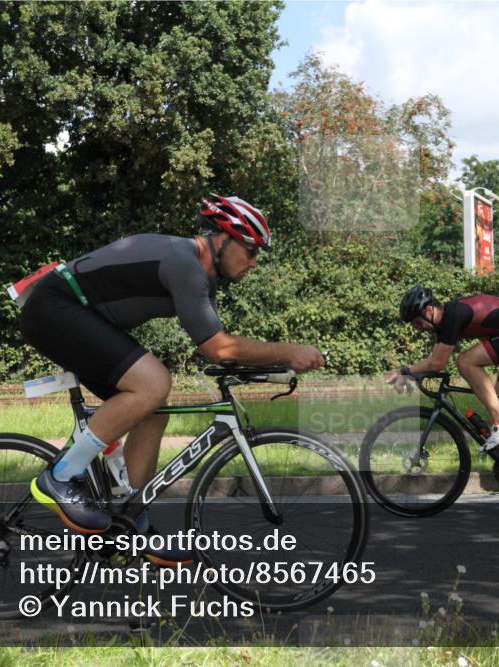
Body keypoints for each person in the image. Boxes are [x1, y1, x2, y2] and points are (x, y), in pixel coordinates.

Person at [19, 195, 324, 565]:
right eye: (250, 250)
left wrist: (272, 368)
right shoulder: (185, 262)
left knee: (153, 409)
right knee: (153, 382)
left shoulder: (202, 278)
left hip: (77, 315)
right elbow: (218, 348)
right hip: (55, 307)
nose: (255, 262)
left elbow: (220, 348)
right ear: (223, 240)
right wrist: (287, 351)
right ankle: (62, 475)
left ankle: (132, 521)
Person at [386, 285, 499, 452]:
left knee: (465, 361)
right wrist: (410, 374)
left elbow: (437, 363)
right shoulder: (444, 323)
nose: (418, 328)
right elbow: (433, 361)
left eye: (417, 322)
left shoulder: (452, 315)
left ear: (429, 309)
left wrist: (403, 371)